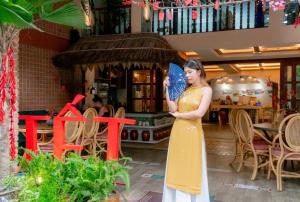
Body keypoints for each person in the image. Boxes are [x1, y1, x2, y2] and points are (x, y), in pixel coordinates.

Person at [162, 59, 212, 202]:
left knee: (191, 166)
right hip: (178, 132)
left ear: (199, 71)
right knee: (176, 165)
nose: (186, 75)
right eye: (185, 72)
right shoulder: (184, 90)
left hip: (193, 133)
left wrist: (179, 116)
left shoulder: (206, 90)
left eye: (190, 72)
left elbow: (199, 113)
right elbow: (172, 108)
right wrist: (167, 89)